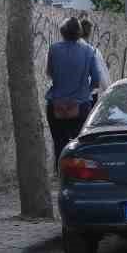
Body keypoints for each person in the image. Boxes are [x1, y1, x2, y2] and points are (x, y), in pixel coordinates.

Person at [46, 17, 107, 167]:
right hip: (81, 105)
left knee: (59, 144)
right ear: (79, 33)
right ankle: (79, 175)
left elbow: (49, 73)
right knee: (81, 144)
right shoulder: (89, 51)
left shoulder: (53, 49)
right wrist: (85, 91)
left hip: (56, 105)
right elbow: (96, 80)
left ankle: (60, 174)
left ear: (62, 32)